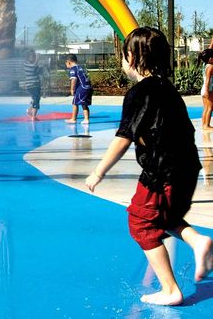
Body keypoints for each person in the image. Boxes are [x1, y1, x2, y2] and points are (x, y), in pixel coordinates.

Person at [86, 27, 213, 306]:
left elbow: (123, 137)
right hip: (186, 166)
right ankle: (197, 241)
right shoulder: (168, 88)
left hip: (161, 171)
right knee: (162, 216)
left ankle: (171, 290)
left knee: (141, 222)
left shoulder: (139, 93)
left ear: (132, 57)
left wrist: (98, 171)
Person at [65, 54, 92, 124]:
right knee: (84, 103)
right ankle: (86, 119)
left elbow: (74, 80)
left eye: (66, 64)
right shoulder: (81, 67)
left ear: (69, 62)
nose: (66, 65)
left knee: (75, 103)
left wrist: (72, 90)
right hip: (88, 87)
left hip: (82, 88)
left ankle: (73, 119)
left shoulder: (73, 69)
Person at [24, 49, 43, 121]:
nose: (34, 58)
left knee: (36, 98)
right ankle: (33, 116)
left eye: (35, 56)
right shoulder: (26, 64)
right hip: (31, 86)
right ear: (28, 57)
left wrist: (40, 68)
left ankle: (29, 110)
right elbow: (32, 67)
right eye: (33, 56)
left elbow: (37, 71)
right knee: (36, 99)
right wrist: (38, 59)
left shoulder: (33, 64)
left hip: (36, 85)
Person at [198, 48, 213, 131]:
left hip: (204, 89)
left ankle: (204, 124)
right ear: (210, 59)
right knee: (210, 107)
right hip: (208, 89)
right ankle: (207, 126)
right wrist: (207, 91)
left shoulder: (205, 65)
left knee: (206, 108)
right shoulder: (211, 66)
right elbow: (207, 80)